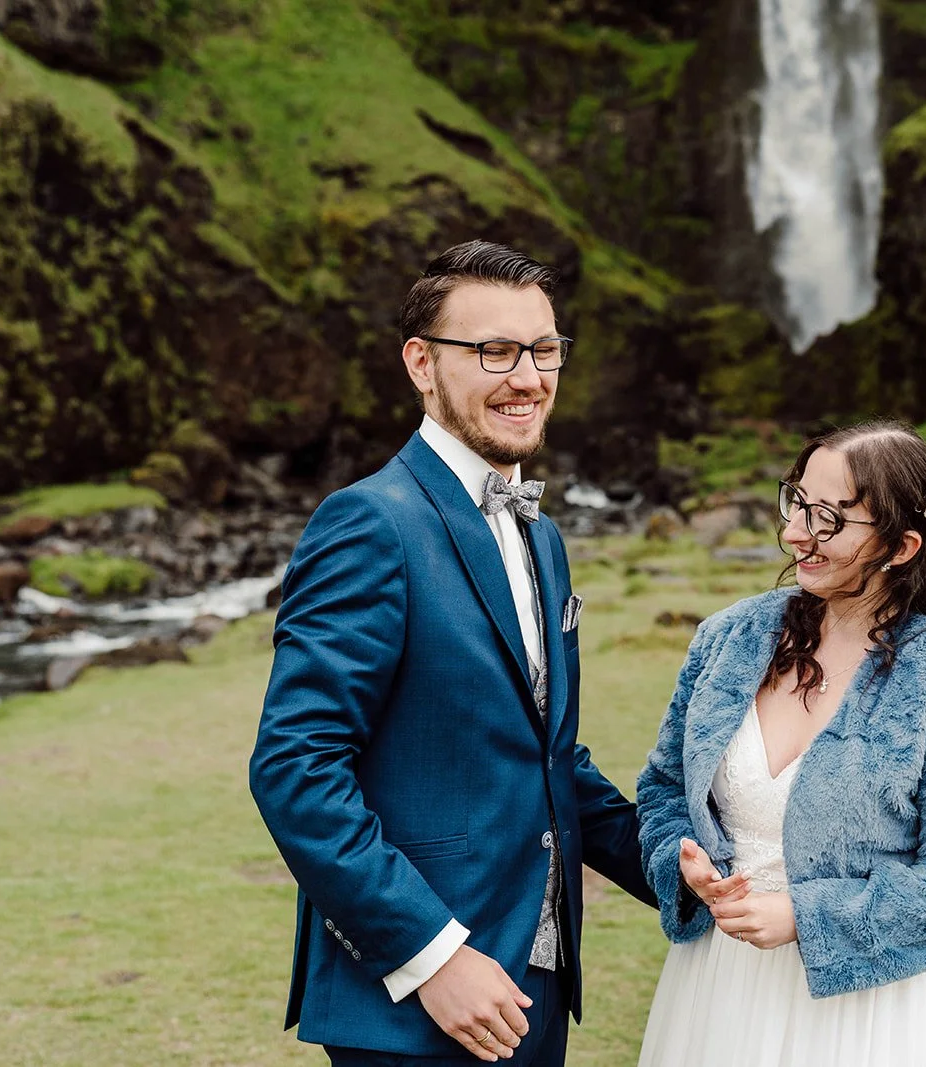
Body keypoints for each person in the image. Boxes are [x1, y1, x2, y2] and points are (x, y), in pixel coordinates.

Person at [250, 240, 655, 1066]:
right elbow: (296, 767)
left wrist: (681, 868)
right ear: (422, 364)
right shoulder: (369, 523)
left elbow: (549, 760)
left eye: (544, 350)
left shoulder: (541, 539)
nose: (528, 377)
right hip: (418, 1000)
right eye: (494, 351)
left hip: (533, 981)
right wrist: (431, 954)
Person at [635, 420, 926, 1066]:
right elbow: (663, 790)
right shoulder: (728, 640)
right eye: (797, 502)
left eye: (828, 518)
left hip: (863, 1017)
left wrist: (804, 917)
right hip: (712, 987)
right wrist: (682, 864)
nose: (795, 533)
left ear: (901, 547)